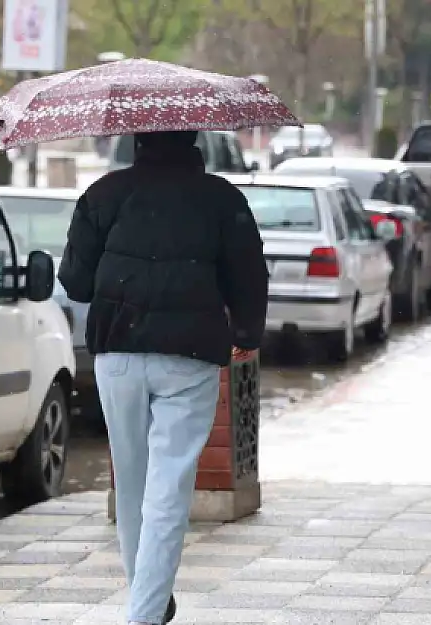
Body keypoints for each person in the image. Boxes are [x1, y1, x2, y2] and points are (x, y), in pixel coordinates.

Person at [58, 130, 268, 625]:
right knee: (169, 487)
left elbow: (75, 282)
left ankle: (146, 596)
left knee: (131, 482)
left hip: (117, 353)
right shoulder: (222, 198)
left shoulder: (103, 194)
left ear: (137, 138)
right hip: (190, 355)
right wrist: (246, 333)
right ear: (193, 137)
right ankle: (145, 613)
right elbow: (249, 275)